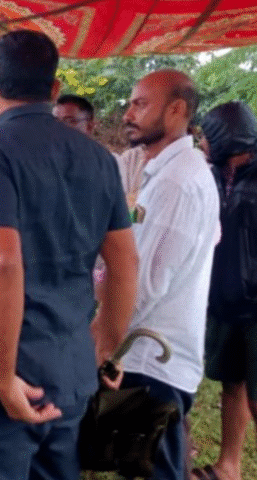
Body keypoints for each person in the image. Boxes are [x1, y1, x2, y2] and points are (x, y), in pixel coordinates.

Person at [0, 30, 138, 479]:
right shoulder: (99, 158)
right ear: (54, 89)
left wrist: (1, 377)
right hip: (69, 367)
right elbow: (125, 262)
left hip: (4, 381)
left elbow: (2, 261)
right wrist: (107, 343)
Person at [118, 69, 219, 480]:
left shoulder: (176, 181)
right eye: (130, 104)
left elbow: (144, 285)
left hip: (153, 358)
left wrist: (103, 339)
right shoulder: (173, 170)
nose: (128, 114)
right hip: (157, 352)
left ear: (176, 110)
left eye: (140, 104)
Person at [190, 102, 257, 480]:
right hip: (221, 299)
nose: (201, 142)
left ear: (226, 137)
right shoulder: (210, 175)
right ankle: (228, 467)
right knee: (232, 384)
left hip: (255, 305)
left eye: (206, 135)